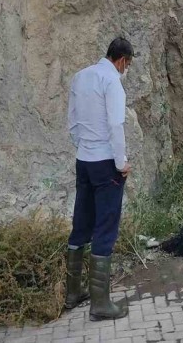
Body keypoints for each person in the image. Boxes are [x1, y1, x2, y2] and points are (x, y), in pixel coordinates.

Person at [66, 37, 133, 321]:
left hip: (83, 161)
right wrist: (121, 163)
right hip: (106, 164)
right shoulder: (112, 81)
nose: (126, 70)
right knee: (105, 227)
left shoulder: (80, 77)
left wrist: (84, 147)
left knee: (81, 223)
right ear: (122, 61)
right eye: (127, 65)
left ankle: (72, 293)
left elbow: (72, 123)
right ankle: (101, 304)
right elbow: (116, 125)